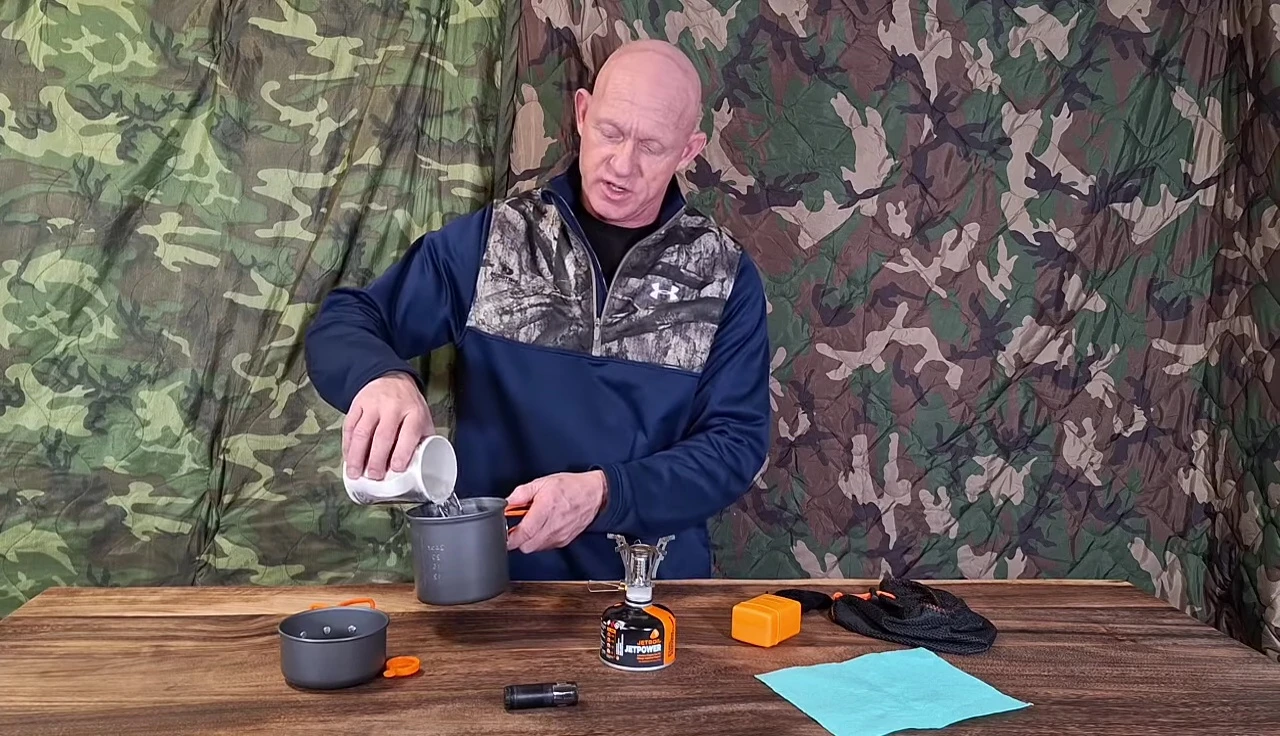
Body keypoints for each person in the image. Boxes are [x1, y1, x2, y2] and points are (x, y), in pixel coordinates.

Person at [304, 40, 772, 582]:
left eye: (651, 146)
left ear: (688, 152)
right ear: (582, 113)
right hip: (495, 586)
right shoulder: (497, 241)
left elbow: (735, 446)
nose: (622, 164)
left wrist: (605, 494)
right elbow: (344, 321)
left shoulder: (723, 276)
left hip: (653, 593)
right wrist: (381, 377)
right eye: (611, 132)